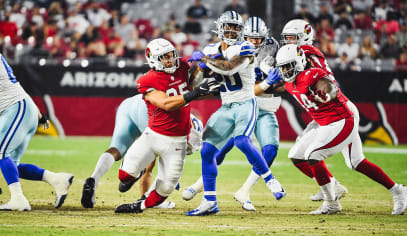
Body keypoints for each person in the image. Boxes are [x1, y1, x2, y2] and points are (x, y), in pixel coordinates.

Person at [276, 44, 407, 215]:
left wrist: (326, 93)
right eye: (283, 67)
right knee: (300, 156)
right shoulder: (289, 84)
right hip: (325, 123)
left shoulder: (311, 74)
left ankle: (331, 202)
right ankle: (396, 190)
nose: (286, 71)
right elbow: (276, 88)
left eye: (289, 66)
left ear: (300, 61)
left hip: (341, 120)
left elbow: (329, 86)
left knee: (313, 154)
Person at [185, 11, 285, 216]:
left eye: (236, 28)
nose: (232, 31)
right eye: (228, 27)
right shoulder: (211, 49)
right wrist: (198, 68)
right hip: (226, 106)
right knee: (207, 152)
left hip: (245, 104)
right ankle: (209, 201)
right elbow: (193, 83)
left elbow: (230, 68)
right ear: (220, 28)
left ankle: (270, 179)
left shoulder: (245, 47)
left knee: (241, 141)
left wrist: (206, 59)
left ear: (241, 31)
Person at [113, 38, 218, 213]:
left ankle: (139, 206)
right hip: (153, 136)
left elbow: (193, 86)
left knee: (165, 190)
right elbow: (167, 103)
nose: (170, 60)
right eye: (164, 57)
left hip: (177, 143)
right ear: (153, 59)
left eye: (171, 55)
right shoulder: (147, 80)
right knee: (124, 176)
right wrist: (194, 93)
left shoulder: (182, 67)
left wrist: (202, 68)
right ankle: (136, 172)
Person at [81, 94, 203, 209]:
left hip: (130, 104)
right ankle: (146, 195)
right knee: (157, 154)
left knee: (116, 149)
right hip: (152, 109)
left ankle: (93, 180)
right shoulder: (184, 130)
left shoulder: (186, 118)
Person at [280, 19, 348, 201]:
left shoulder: (307, 53)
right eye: (287, 38)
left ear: (305, 37)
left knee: (353, 160)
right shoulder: (298, 54)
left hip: (331, 110)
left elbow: (323, 79)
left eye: (293, 38)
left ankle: (331, 191)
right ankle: (331, 185)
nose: (289, 42)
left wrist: (323, 92)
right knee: (298, 153)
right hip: (321, 111)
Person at [0, 53, 73, 211]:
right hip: (22, 108)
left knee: (1, 153)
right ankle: (56, 179)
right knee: (12, 165)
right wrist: (39, 115)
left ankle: (18, 199)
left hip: (16, 109)